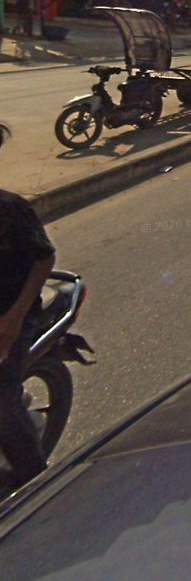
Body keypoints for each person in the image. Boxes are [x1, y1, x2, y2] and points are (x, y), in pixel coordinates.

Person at [0, 123, 56, 487]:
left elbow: (44, 258)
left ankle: (34, 481)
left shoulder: (10, 210)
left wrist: (14, 319)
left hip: (12, 314)